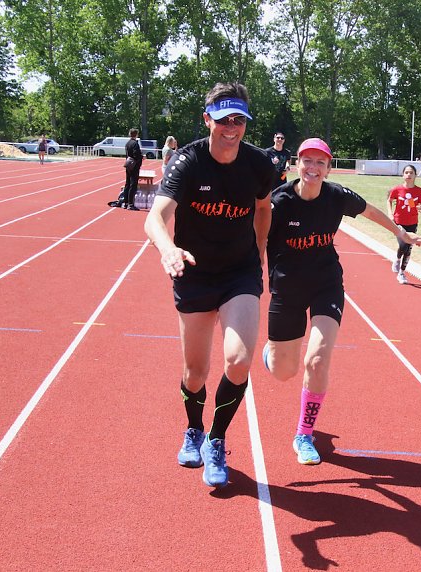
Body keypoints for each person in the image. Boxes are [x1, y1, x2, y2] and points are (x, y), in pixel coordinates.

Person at [262, 138, 421, 465]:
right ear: (296, 164)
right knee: (283, 371)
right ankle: (272, 353)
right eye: (307, 161)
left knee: (317, 360)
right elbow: (254, 238)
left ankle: (304, 434)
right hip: (287, 289)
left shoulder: (337, 196)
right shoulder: (279, 203)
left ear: (329, 168)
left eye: (320, 162)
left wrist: (399, 233)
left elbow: (370, 211)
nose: (313, 168)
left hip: (326, 284)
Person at [144, 82, 274, 488]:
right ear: (208, 120)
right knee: (196, 372)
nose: (231, 128)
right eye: (223, 121)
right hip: (194, 272)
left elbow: (263, 208)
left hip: (239, 273)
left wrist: (260, 251)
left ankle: (216, 439)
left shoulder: (259, 165)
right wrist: (168, 248)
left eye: (238, 120)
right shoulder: (187, 161)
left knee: (238, 359)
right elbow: (155, 217)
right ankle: (194, 429)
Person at [387, 164, 421, 284]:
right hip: (399, 223)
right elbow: (389, 200)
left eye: (411, 173)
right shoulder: (397, 189)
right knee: (403, 245)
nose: (409, 175)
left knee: (409, 248)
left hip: (413, 223)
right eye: (407, 172)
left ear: (415, 175)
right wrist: (390, 213)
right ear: (403, 174)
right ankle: (398, 259)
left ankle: (402, 273)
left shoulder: (419, 191)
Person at [121, 129, 142, 210]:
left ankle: (125, 203)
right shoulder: (135, 143)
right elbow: (136, 155)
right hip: (134, 166)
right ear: (136, 134)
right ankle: (130, 204)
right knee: (133, 185)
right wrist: (141, 157)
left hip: (128, 164)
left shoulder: (127, 143)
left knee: (127, 184)